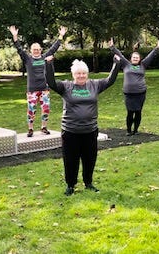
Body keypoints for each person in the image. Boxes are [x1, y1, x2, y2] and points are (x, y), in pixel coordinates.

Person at [45, 55, 120, 196]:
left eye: (84, 73)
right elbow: (51, 82)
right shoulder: (66, 86)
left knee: (89, 158)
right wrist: (49, 65)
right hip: (70, 131)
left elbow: (110, 80)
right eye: (78, 73)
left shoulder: (94, 85)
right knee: (70, 160)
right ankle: (70, 185)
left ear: (87, 74)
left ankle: (88, 182)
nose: (81, 76)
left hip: (90, 131)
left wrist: (116, 63)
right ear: (73, 74)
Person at [9, 25, 67, 137]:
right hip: (32, 90)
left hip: (44, 89)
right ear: (31, 51)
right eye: (34, 50)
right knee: (31, 110)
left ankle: (44, 127)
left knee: (46, 109)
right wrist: (15, 36)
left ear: (41, 50)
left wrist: (61, 36)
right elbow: (19, 49)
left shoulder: (44, 57)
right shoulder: (28, 59)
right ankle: (30, 129)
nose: (36, 51)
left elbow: (54, 47)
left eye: (38, 49)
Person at [109, 38, 159, 136]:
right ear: (131, 58)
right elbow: (120, 55)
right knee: (130, 112)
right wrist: (112, 47)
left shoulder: (143, 65)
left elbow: (151, 56)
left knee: (138, 112)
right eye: (134, 57)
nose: (135, 59)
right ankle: (129, 130)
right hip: (129, 94)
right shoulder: (126, 64)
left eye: (137, 58)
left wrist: (157, 48)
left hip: (140, 93)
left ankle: (136, 130)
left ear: (139, 59)